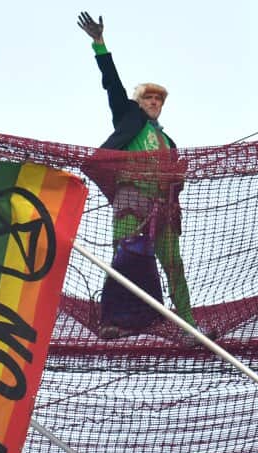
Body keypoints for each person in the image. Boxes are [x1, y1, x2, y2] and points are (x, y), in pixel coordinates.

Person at [77, 11, 197, 338]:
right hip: (132, 198)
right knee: (123, 259)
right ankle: (110, 321)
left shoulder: (169, 141)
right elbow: (112, 86)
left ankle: (188, 327)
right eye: (149, 97)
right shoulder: (129, 118)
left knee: (174, 264)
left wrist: (179, 177)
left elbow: (176, 183)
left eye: (158, 99)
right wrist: (100, 45)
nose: (154, 102)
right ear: (139, 101)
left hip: (163, 207)